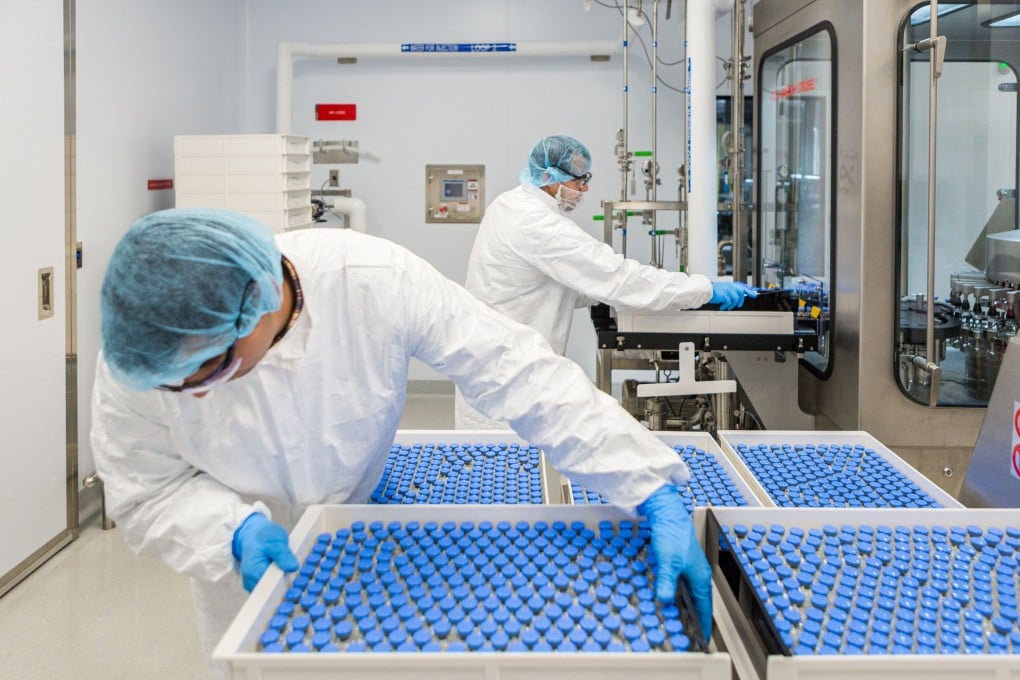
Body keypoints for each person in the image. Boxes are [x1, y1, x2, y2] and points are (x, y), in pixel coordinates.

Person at [91, 208, 713, 678]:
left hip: (364, 538)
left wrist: (646, 483)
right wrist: (228, 532)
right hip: (239, 575)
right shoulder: (149, 348)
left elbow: (516, 371)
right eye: (180, 385)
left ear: (256, 309)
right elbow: (144, 488)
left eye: (212, 371)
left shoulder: (371, 280)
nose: (194, 394)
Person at [455, 134, 756, 429]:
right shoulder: (539, 225)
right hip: (508, 386)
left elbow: (544, 285)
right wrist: (703, 289)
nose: (584, 188)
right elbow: (619, 277)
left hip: (495, 369)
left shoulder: (509, 204)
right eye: (578, 181)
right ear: (549, 178)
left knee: (508, 472)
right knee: (510, 472)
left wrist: (605, 289)